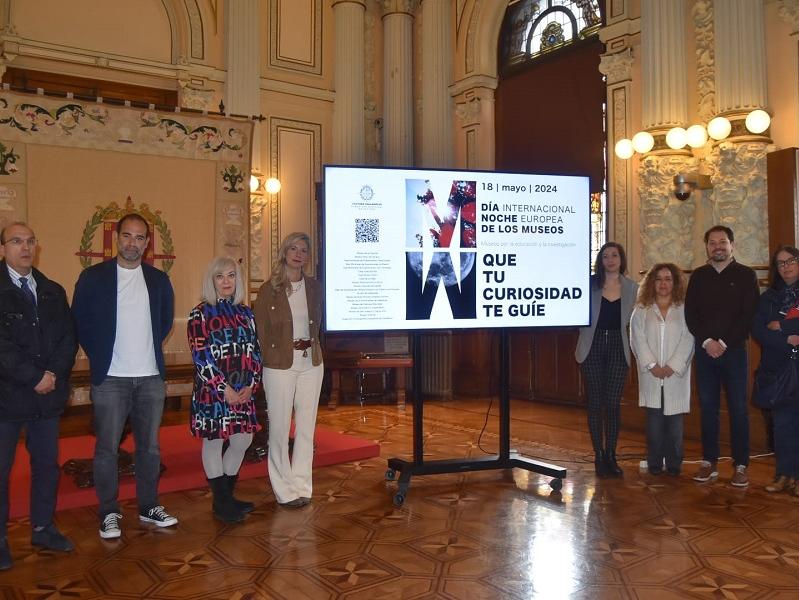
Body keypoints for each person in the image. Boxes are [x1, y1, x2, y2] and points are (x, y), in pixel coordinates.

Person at [72, 213, 177, 539]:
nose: (133, 243)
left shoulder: (159, 280)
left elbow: (165, 322)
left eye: (140, 238)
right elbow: (81, 322)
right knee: (106, 449)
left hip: (149, 378)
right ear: (117, 238)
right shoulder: (93, 277)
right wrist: (102, 355)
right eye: (127, 236)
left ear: (147, 243)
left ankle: (149, 506)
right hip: (111, 378)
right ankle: (109, 511)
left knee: (150, 448)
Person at [0, 223, 77, 570]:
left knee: (46, 466)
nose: (25, 247)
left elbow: (67, 339)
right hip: (7, 399)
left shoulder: (52, 291)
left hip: (46, 399)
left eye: (30, 241)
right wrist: (34, 377)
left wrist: (53, 376)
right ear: (3, 248)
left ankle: (43, 528)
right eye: (16, 241)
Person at [187, 257, 262, 522]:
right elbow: (200, 354)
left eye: (231, 275)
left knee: (243, 440)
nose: (227, 281)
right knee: (215, 441)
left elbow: (255, 350)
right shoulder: (200, 313)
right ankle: (221, 501)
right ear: (212, 280)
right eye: (220, 276)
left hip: (243, 389)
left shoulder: (246, 313)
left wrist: (252, 383)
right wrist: (222, 388)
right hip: (213, 390)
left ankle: (226, 498)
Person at [685, 225, 759, 486]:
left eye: (723, 241)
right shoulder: (699, 276)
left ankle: (740, 465)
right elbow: (691, 315)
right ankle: (709, 462)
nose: (718, 246)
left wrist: (723, 343)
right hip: (705, 354)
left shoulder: (746, 275)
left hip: (735, 352)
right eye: (712, 242)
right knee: (708, 409)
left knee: (739, 410)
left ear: (732, 245)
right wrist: (707, 342)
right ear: (706, 247)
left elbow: (748, 315)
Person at [253, 232, 323, 507]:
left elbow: (317, 324)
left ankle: (302, 484)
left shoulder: (315, 288)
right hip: (279, 365)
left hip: (311, 363)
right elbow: (260, 330)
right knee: (280, 429)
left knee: (306, 427)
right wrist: (271, 359)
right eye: (293, 248)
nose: (298, 254)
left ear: (307, 257)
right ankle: (283, 488)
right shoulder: (268, 289)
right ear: (284, 252)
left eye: (304, 250)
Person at [575, 242, 638, 478]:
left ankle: (611, 454)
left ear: (621, 259)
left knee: (612, 403)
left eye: (614, 255)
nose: (610, 260)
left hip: (617, 347)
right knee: (595, 402)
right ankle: (598, 455)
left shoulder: (632, 287)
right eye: (605, 256)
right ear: (600, 261)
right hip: (592, 345)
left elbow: (636, 322)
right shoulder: (589, 284)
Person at [630, 263, 694, 476]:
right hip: (652, 374)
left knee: (675, 424)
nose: (663, 283)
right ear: (652, 283)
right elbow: (637, 338)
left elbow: (689, 337)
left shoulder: (684, 308)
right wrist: (652, 365)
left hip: (675, 375)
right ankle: (655, 462)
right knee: (654, 423)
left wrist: (673, 366)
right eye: (658, 279)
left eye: (668, 279)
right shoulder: (642, 309)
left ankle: (675, 463)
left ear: (674, 282)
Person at [751, 246, 799, 495]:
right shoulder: (768, 297)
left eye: (791, 260)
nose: (786, 266)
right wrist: (788, 339)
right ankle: (784, 475)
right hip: (778, 368)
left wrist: (782, 324)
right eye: (780, 263)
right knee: (782, 425)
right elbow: (758, 330)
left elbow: (773, 326)